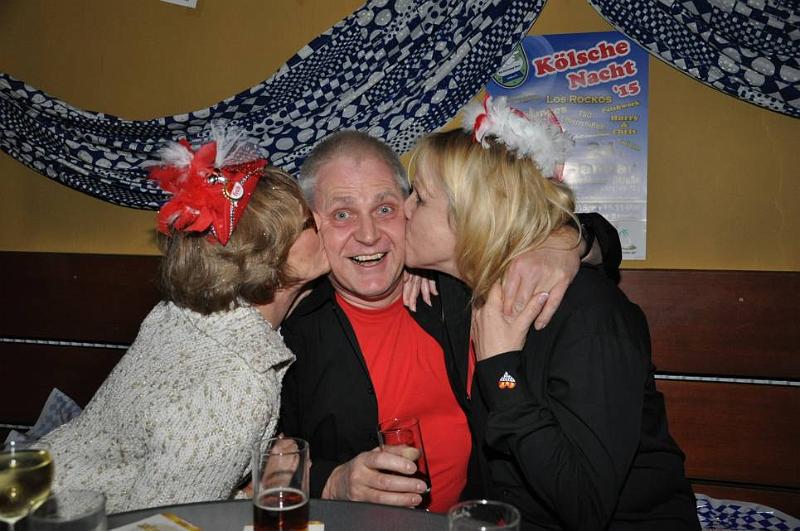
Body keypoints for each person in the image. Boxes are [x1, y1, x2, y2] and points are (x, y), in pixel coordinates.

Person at [278, 130, 621, 512]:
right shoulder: (289, 334)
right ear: (312, 225)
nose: (369, 235)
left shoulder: (458, 291)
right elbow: (255, 467)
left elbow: (545, 227)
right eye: (343, 214)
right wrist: (333, 482)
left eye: (385, 208)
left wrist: (566, 240)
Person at [403, 96, 699, 530]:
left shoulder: (588, 316)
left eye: (420, 198)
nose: (405, 209)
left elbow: (584, 504)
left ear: (473, 216)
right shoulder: (456, 292)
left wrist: (502, 372)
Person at [41, 127, 329, 513]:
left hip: (38, 492)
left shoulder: (178, 315)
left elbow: (164, 479)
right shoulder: (240, 385)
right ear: (271, 260)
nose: (327, 222)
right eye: (310, 223)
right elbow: (163, 521)